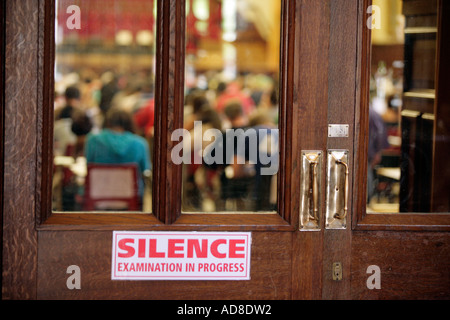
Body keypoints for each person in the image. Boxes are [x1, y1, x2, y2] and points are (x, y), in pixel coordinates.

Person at [85, 108, 151, 204]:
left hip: (98, 195)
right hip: (131, 198)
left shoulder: (93, 140)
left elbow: (88, 165)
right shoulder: (140, 143)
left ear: (107, 122)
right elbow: (145, 170)